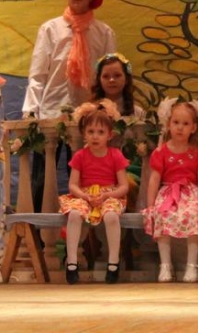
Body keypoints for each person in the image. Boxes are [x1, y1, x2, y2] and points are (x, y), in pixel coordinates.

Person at [23, 0, 116, 210]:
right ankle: (39, 231)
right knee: (42, 177)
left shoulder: (103, 33)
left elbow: (109, 79)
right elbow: (38, 75)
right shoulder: (50, 30)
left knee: (86, 179)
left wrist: (106, 112)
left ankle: (84, 230)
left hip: (88, 119)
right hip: (51, 113)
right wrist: (31, 112)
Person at [143, 97, 198, 282]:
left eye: (185, 123)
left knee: (194, 215)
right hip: (168, 193)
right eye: (176, 122)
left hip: (190, 193)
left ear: (193, 128)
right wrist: (150, 205)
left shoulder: (197, 151)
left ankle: (192, 266)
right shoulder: (161, 152)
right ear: (169, 124)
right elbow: (154, 179)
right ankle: (165, 265)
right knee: (162, 214)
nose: (180, 127)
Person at [59, 100, 130, 285]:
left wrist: (107, 195)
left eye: (100, 132)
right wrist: (84, 196)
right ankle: (72, 263)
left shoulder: (115, 155)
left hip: (108, 194)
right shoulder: (80, 156)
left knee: (111, 216)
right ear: (84, 134)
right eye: (91, 131)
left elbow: (124, 186)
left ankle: (113, 263)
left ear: (109, 135)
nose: (95, 136)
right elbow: (73, 185)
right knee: (74, 214)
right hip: (85, 194)